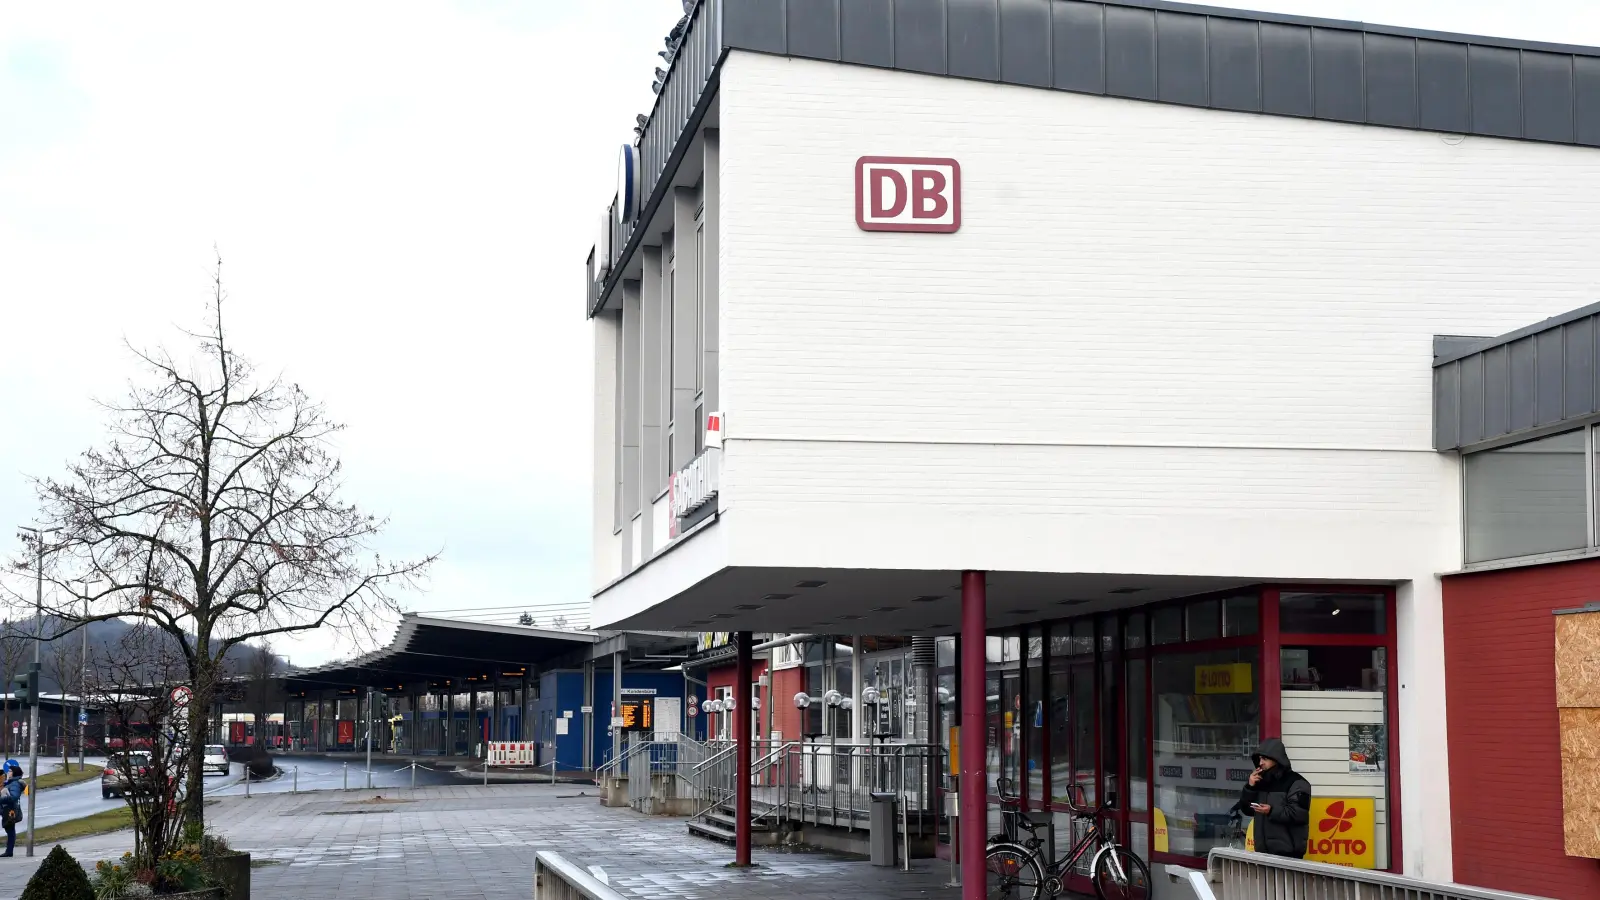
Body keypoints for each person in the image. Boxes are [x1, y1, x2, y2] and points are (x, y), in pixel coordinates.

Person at [1234, 738, 1312, 859]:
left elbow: (1299, 814)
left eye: (1264, 759)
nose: (1260, 763)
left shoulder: (1297, 783)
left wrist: (1271, 811)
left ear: (1276, 759)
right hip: (1262, 853)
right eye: (1259, 759)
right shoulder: (1260, 781)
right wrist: (1250, 787)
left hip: (1289, 856)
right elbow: (1246, 809)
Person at [0, 760, 24, 858]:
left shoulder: (14, 784)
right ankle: (9, 851)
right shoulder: (10, 782)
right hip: (6, 809)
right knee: (9, 829)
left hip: (10, 810)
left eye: (10, 771)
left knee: (10, 829)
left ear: (14, 773)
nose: (8, 772)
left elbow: (14, 797)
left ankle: (9, 851)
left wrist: (1, 799)